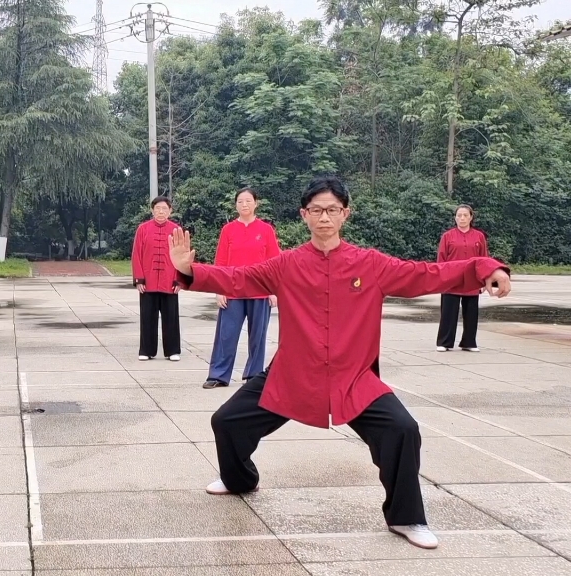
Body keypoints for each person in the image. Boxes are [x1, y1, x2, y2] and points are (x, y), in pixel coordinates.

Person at [167, 176, 511, 550]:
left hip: (354, 378)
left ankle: (406, 516)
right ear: (304, 215)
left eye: (332, 210)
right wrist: (190, 270)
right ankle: (239, 479)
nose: (324, 218)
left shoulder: (371, 264)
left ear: (345, 214)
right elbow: (239, 279)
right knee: (227, 421)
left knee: (403, 429)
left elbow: (427, 274)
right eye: (316, 210)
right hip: (293, 374)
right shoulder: (286, 265)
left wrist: (487, 267)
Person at [204, 188, 281, 389]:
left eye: (248, 201)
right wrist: (219, 290)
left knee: (258, 336)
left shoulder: (266, 230)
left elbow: (274, 261)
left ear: (256, 203)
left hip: (260, 289)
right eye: (240, 201)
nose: (244, 205)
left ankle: (254, 376)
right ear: (236, 205)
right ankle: (218, 375)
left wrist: (274, 291)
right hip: (232, 290)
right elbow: (220, 261)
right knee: (226, 334)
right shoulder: (228, 230)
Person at [132, 196, 182, 362]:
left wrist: (180, 280)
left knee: (171, 318)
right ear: (152, 210)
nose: (161, 211)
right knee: (147, 317)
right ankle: (146, 350)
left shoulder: (176, 229)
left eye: (164, 209)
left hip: (170, 281)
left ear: (170, 211)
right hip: (148, 281)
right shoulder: (143, 229)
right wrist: (139, 279)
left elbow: (182, 256)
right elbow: (136, 255)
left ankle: (172, 350)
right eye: (158, 208)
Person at [436, 204, 490, 352]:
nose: (462, 218)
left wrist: (485, 278)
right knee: (448, 311)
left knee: (471, 312)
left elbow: (484, 258)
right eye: (459, 215)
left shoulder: (479, 236)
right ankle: (444, 342)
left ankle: (469, 342)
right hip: (451, 278)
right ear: (455, 218)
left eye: (465, 215)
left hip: (472, 279)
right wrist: (440, 278)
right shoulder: (447, 236)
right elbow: (441, 259)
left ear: (471, 217)